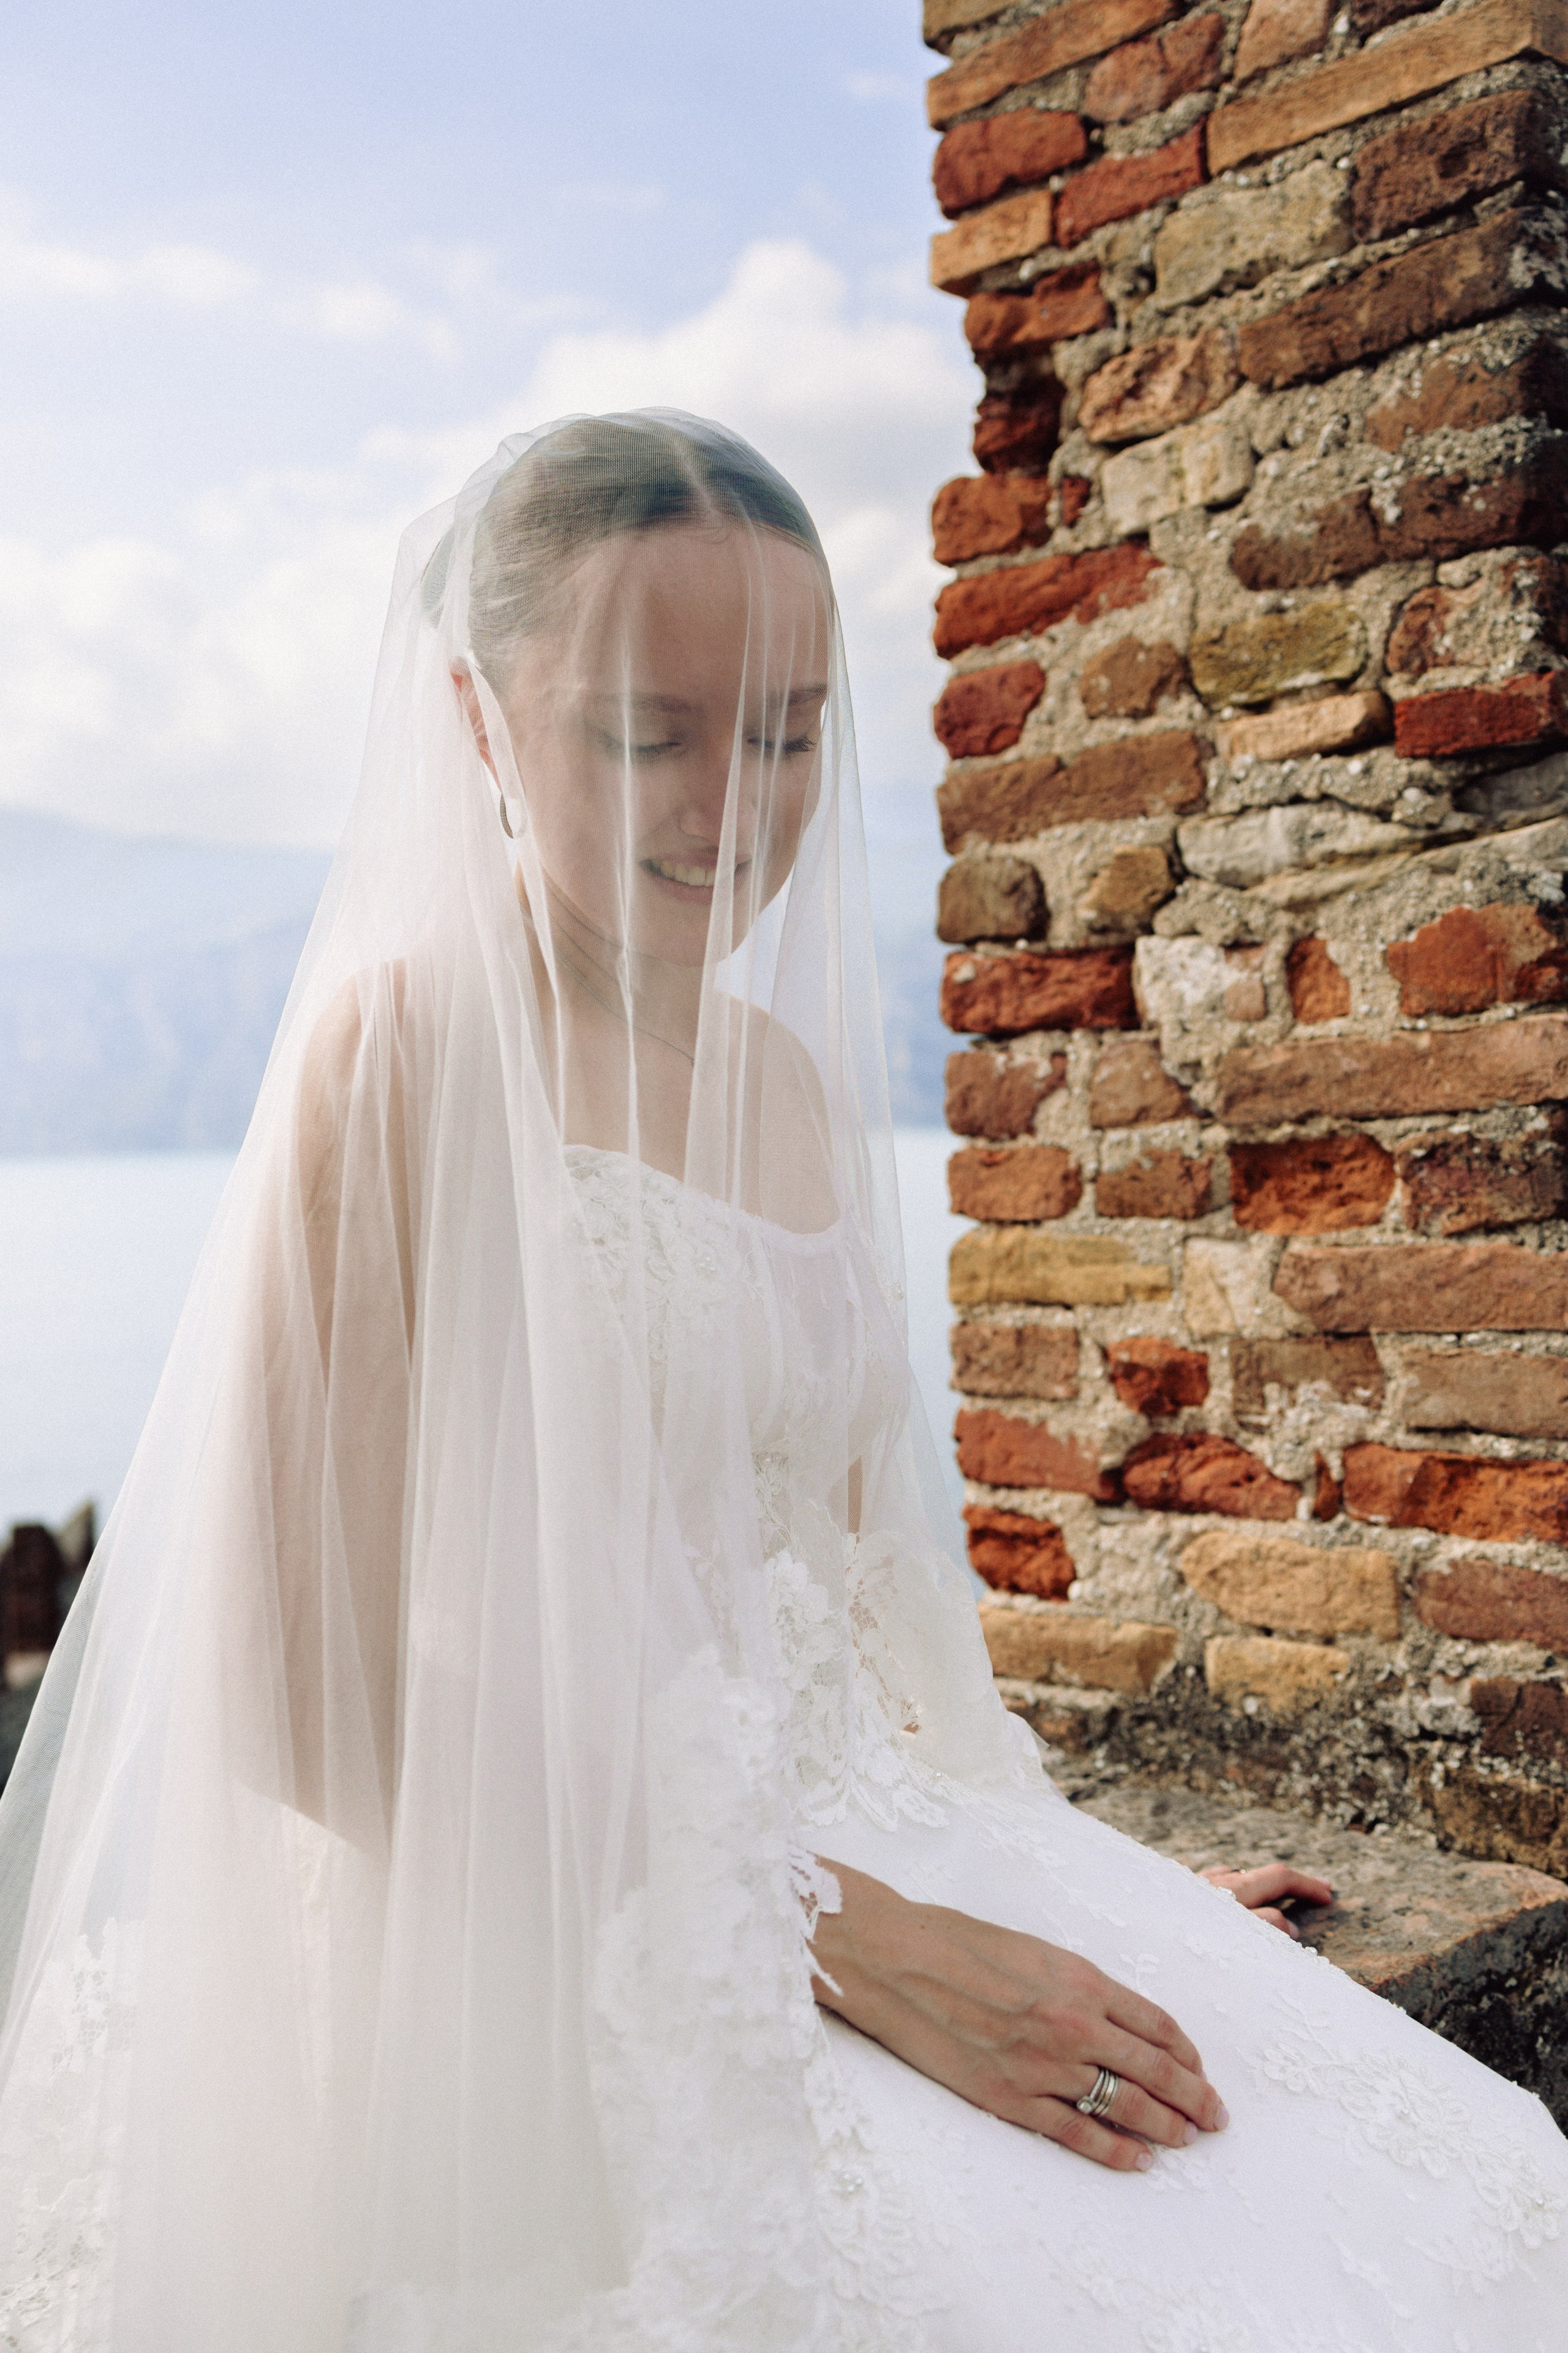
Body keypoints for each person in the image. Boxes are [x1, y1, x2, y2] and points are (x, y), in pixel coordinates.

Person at [0, 412, 1562, 2352]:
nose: (736, 805)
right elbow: (292, 1691)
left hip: (853, 1851)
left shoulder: (797, 1085)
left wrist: (1066, 1880)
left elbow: (840, 1606)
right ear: (482, 724)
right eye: (651, 735)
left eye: (794, 729)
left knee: (1449, 2209)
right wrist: (836, 1934)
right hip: (550, 1928)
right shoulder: (401, 1065)